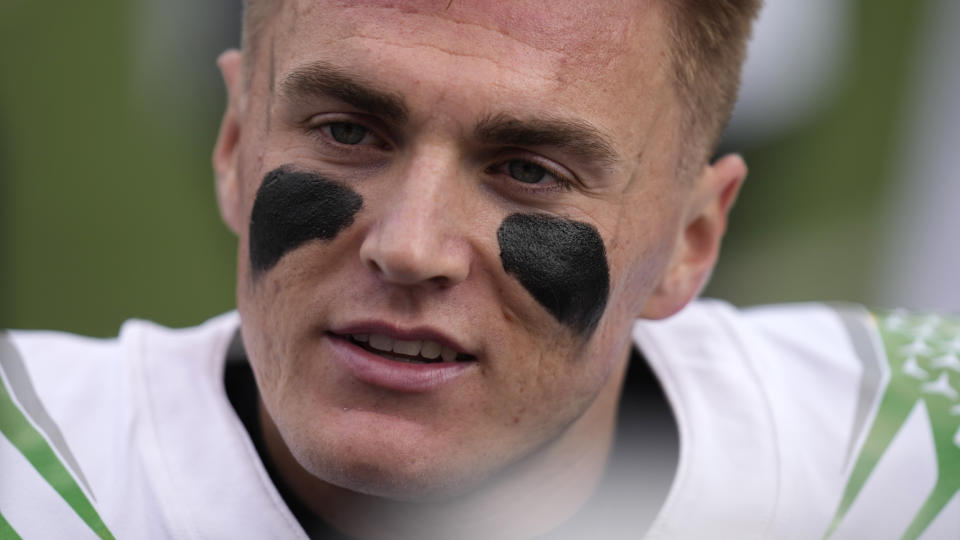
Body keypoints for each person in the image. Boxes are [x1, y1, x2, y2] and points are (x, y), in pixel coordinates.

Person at [1, 1, 957, 539]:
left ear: (693, 240)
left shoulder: (905, 469)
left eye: (528, 172)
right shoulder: (31, 476)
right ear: (234, 142)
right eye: (346, 131)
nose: (410, 245)